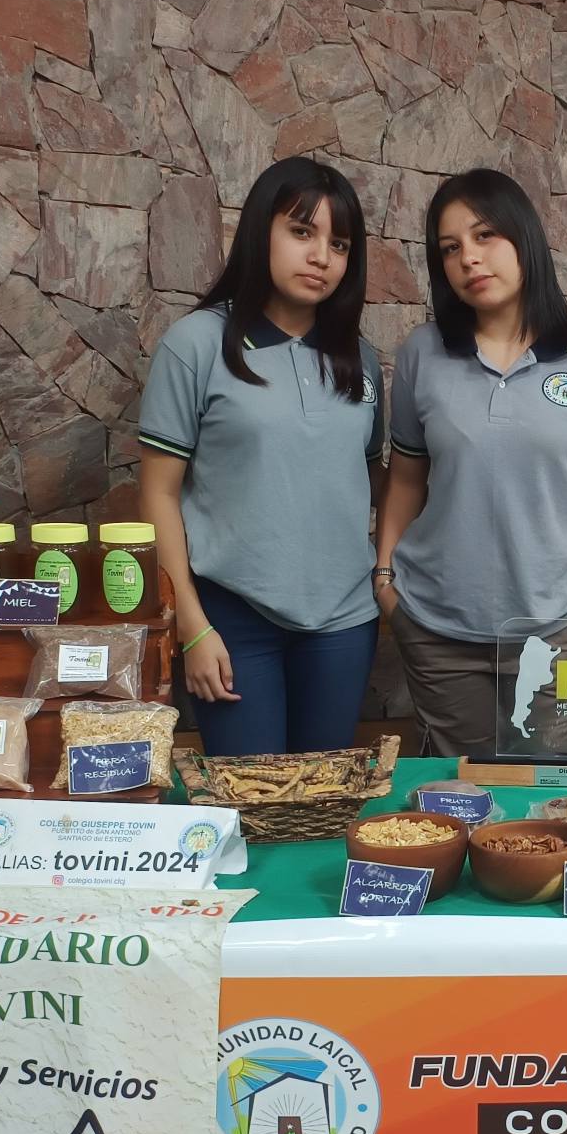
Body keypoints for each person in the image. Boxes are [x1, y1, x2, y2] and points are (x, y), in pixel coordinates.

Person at [375, 169, 567, 758]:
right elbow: (405, 480)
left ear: (524, 238)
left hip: (557, 633)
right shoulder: (423, 354)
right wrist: (385, 581)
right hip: (439, 632)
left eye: (485, 236)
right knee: (459, 794)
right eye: (450, 248)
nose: (469, 258)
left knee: (556, 797)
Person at [137, 156, 383, 756]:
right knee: (246, 797)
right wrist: (191, 626)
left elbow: (365, 478)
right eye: (301, 232)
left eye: (339, 244)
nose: (321, 256)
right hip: (230, 619)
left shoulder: (361, 359)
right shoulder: (196, 344)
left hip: (344, 622)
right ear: (259, 232)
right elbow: (158, 494)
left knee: (323, 796)